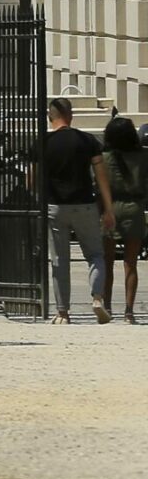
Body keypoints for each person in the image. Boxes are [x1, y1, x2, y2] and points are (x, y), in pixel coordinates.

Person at [35, 97, 115, 324]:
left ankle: (62, 312)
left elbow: (32, 178)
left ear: (50, 117)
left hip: (55, 206)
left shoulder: (43, 143)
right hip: (85, 204)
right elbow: (101, 177)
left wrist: (37, 199)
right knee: (95, 255)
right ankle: (97, 297)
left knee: (59, 260)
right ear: (71, 116)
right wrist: (108, 208)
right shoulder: (88, 141)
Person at [103, 115, 147, 324]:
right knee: (131, 263)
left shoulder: (104, 157)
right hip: (134, 207)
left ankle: (107, 306)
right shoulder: (143, 156)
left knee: (107, 261)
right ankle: (129, 312)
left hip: (109, 207)